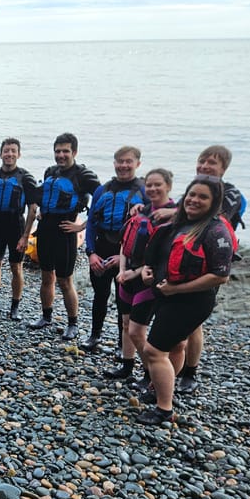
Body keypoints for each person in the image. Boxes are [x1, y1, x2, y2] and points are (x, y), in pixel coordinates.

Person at [137, 175, 234, 425]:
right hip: (167, 294)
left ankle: (164, 408)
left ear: (214, 203)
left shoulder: (215, 231)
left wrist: (177, 290)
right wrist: (148, 270)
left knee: (154, 350)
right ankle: (161, 390)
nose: (194, 200)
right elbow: (163, 254)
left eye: (203, 197)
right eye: (192, 194)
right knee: (176, 345)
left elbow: (220, 276)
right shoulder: (180, 223)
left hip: (191, 301)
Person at [152, 145, 246, 394]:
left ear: (224, 168)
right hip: (182, 265)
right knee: (179, 330)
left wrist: (171, 210)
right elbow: (185, 217)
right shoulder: (194, 189)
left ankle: (190, 372)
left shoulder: (230, 193)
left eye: (212, 163)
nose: (205, 166)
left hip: (208, 265)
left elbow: (216, 215)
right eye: (202, 161)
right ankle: (172, 371)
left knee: (193, 326)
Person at [107, 168, 176, 384]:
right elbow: (125, 245)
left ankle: (150, 373)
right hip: (127, 275)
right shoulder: (142, 211)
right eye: (149, 185)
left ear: (168, 186)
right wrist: (121, 271)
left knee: (138, 330)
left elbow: (163, 256)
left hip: (147, 279)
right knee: (126, 324)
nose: (153, 189)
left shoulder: (174, 215)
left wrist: (133, 273)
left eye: (158, 185)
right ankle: (127, 366)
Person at [29, 133, 100, 339]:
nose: (61, 155)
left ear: (74, 152)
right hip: (45, 229)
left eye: (65, 151)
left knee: (65, 280)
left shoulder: (83, 175)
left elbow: (103, 199)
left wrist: (83, 227)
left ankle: (73, 323)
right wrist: (42, 211)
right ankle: (46, 316)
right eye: (57, 151)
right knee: (46, 276)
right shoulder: (51, 171)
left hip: (65, 230)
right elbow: (43, 195)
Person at [81, 146, 146, 351]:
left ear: (137, 164)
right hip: (102, 247)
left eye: (128, 161)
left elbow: (150, 231)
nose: (123, 166)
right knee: (100, 295)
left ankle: (122, 344)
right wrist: (91, 253)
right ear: (114, 163)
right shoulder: (103, 189)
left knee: (123, 301)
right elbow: (90, 223)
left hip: (128, 254)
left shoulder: (144, 191)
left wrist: (126, 258)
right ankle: (95, 335)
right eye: (120, 161)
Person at [0, 137, 39, 319]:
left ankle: (15, 306)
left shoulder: (25, 178)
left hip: (16, 224)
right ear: (1, 154)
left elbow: (32, 208)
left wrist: (25, 235)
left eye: (13, 151)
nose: (9, 154)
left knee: (16, 266)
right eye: (6, 151)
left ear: (19, 154)